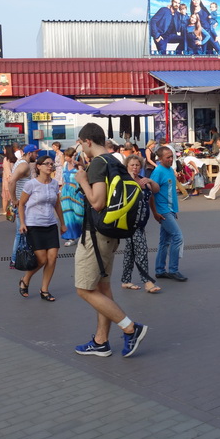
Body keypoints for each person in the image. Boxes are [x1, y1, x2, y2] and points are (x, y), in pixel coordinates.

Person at [72, 123, 148, 358]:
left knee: (84, 289)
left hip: (95, 236)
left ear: (86, 141)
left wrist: (82, 179)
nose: (81, 148)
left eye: (80, 144)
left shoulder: (96, 164)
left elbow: (97, 202)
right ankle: (101, 341)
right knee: (103, 288)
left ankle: (130, 327)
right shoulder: (115, 161)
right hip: (111, 234)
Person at [17, 155, 66, 301]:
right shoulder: (31, 184)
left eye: (52, 164)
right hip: (34, 225)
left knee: (52, 258)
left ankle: (44, 290)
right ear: (38, 166)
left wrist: (62, 223)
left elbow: (57, 205)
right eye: (47, 164)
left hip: (50, 224)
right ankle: (25, 279)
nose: (50, 166)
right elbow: (21, 204)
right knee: (42, 259)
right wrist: (22, 223)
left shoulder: (54, 183)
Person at [120, 155, 161, 293]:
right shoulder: (124, 181)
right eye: (132, 165)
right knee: (141, 250)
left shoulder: (143, 181)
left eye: (137, 165)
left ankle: (126, 280)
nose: (135, 168)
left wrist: (149, 180)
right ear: (127, 166)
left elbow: (155, 192)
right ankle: (147, 281)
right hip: (130, 223)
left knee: (130, 252)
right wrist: (132, 179)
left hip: (141, 222)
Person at [150, 145, 187, 282]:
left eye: (172, 156)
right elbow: (151, 194)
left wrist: (173, 211)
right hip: (162, 210)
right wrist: (155, 212)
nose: (171, 159)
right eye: (168, 157)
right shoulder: (158, 172)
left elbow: (170, 193)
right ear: (160, 159)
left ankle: (160, 270)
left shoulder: (170, 170)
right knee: (177, 237)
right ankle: (173, 270)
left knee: (164, 241)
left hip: (169, 210)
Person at [7, 144, 39, 265]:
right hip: (22, 204)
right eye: (36, 153)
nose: (37, 155)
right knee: (21, 232)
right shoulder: (24, 165)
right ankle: (15, 259)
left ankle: (17, 258)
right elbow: (11, 181)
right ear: (30, 153)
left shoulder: (20, 162)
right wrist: (15, 200)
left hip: (23, 203)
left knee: (22, 232)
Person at [60, 147, 84, 247]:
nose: (66, 158)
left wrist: (77, 162)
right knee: (68, 215)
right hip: (65, 192)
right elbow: (63, 178)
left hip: (76, 192)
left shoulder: (79, 166)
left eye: (68, 156)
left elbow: (83, 175)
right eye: (65, 156)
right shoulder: (65, 165)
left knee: (79, 214)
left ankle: (83, 235)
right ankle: (71, 237)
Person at [0, 145, 17, 215]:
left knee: (5, 197)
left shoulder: (6, 159)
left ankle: (5, 211)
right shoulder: (14, 159)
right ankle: (13, 210)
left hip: (7, 181)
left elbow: (8, 172)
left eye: (4, 149)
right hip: (14, 179)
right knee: (13, 196)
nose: (3, 151)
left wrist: (9, 181)